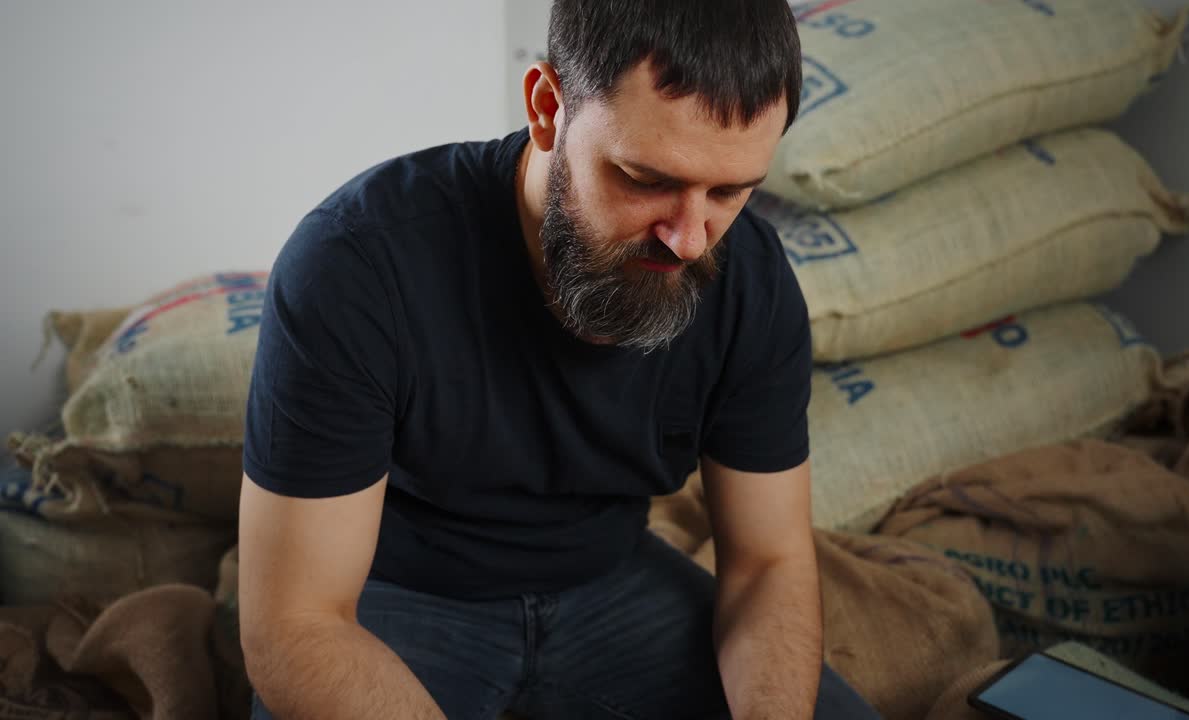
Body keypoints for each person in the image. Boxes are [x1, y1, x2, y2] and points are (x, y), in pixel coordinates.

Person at [237, 1, 882, 718]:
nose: (690, 240)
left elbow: (767, 564)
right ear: (548, 107)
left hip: (614, 585)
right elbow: (294, 626)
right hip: (390, 605)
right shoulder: (355, 265)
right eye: (646, 180)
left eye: (730, 191)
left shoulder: (749, 283)